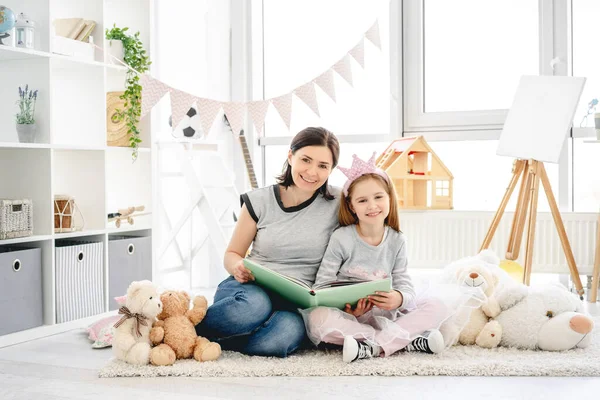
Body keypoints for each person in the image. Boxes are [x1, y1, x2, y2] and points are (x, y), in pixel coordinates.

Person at [304, 153, 481, 363]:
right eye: (362, 200)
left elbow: (404, 284)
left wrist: (399, 298)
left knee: (438, 306)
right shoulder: (341, 237)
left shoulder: (397, 240)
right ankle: (404, 341)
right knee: (317, 319)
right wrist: (346, 307)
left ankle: (372, 345)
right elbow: (323, 283)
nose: (372, 206)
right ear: (352, 206)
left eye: (378, 197)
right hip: (351, 318)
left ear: (389, 198)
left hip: (389, 315)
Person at [195, 126, 341, 357]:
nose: (312, 172)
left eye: (323, 165)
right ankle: (184, 330)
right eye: (306, 160)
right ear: (290, 156)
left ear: (331, 169)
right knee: (253, 308)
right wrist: (237, 267)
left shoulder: (339, 202)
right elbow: (232, 253)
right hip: (251, 288)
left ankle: (224, 341)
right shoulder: (260, 200)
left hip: (295, 302)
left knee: (282, 337)